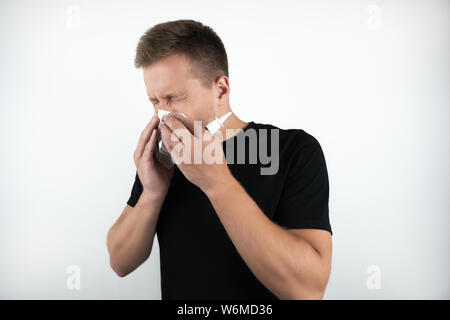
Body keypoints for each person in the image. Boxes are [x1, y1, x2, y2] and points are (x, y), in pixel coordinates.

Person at [106, 19, 333, 300]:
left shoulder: (291, 149)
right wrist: (152, 192)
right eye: (154, 101)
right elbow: (119, 262)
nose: (162, 115)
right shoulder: (165, 157)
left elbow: (308, 290)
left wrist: (217, 182)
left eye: (173, 98)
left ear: (221, 90)